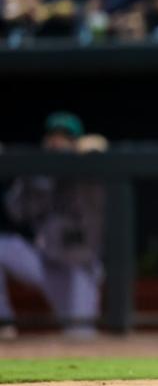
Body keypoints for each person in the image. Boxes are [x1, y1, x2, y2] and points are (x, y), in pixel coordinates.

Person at [0, 112, 105, 338]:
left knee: (80, 336)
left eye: (65, 136)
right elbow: (15, 212)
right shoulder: (37, 173)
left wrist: (91, 156)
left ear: (76, 141)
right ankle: (3, 322)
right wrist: (30, 176)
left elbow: (100, 153)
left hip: (78, 268)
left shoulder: (90, 170)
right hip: (43, 262)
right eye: (53, 136)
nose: (57, 141)